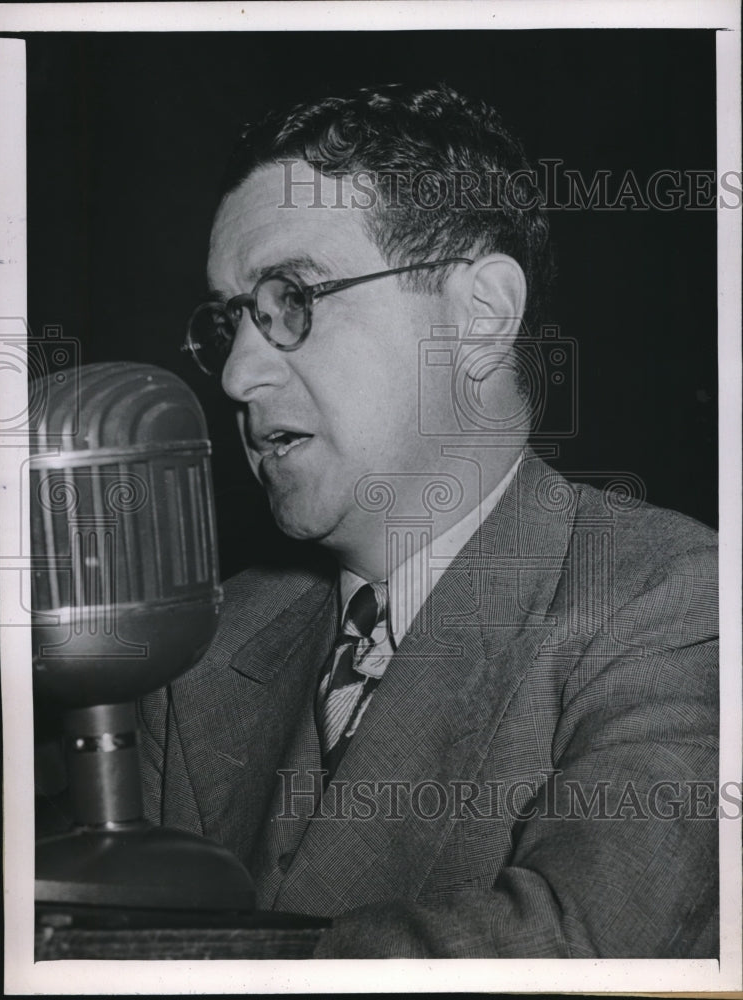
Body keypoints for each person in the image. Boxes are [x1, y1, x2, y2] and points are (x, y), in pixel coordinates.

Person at [138, 83, 718, 958]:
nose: (236, 375)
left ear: (481, 316)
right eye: (229, 323)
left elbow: (579, 951)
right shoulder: (202, 653)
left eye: (290, 297)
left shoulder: (674, 600)